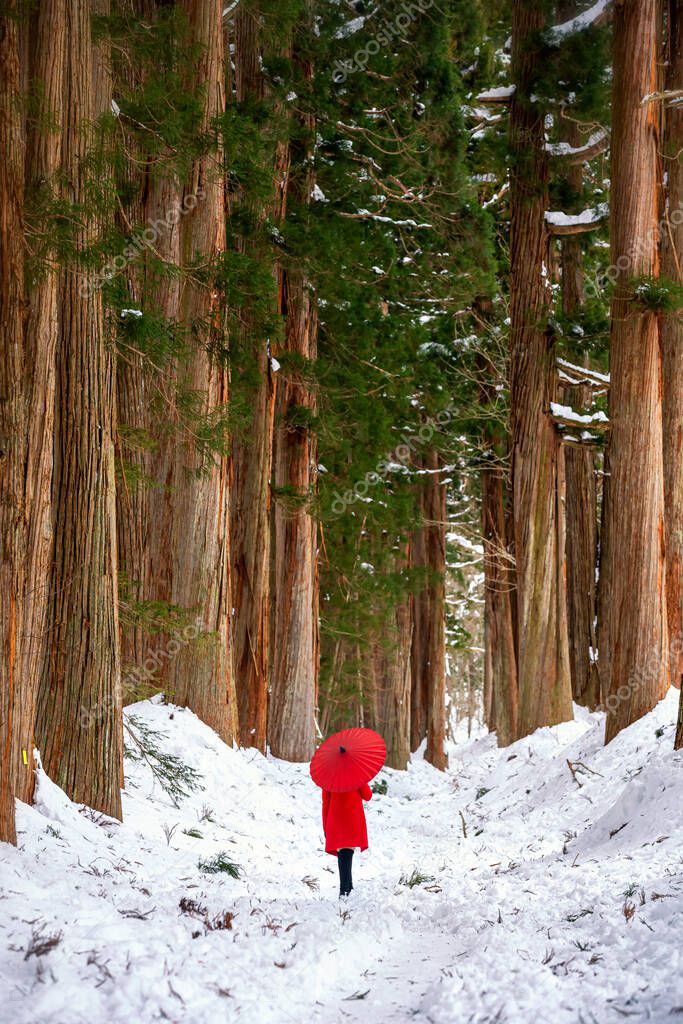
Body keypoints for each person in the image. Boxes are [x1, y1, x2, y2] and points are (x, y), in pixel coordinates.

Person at [322, 783, 373, 897]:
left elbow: (326, 804)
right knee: (347, 852)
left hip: (335, 819)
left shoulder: (329, 776)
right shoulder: (356, 775)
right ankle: (345, 890)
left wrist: (325, 826)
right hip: (352, 818)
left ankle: (347, 888)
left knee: (343, 853)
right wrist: (362, 781)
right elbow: (368, 796)